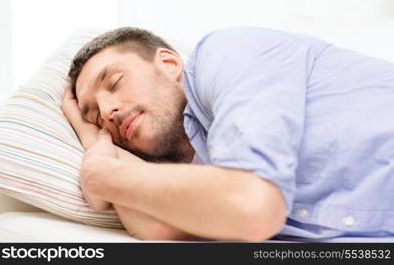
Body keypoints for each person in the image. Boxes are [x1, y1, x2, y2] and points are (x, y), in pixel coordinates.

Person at [62, 26, 394, 242]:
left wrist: (100, 178)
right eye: (94, 115)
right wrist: (94, 143)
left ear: (168, 63)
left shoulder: (227, 53)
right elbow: (160, 232)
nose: (107, 112)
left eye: (116, 82)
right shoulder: (202, 172)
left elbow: (251, 207)